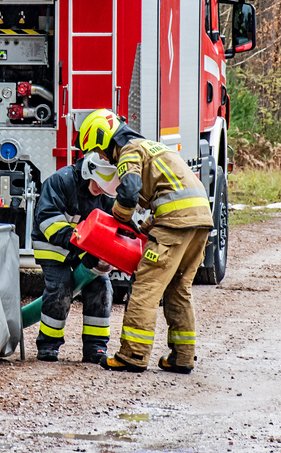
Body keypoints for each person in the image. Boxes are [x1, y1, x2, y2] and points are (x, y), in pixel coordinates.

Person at [78, 109, 214, 374]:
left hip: (176, 221)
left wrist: (120, 216)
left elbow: (129, 191)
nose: (104, 157)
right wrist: (147, 227)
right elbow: (170, 194)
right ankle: (182, 357)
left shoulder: (129, 151)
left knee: (145, 286)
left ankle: (132, 355)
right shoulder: (151, 147)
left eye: (101, 151)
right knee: (178, 288)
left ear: (104, 138)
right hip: (199, 221)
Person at [32, 152, 119, 364]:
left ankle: (95, 348)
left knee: (102, 288)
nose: (99, 189)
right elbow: (47, 220)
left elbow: (113, 226)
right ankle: (48, 345)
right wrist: (84, 247)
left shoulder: (107, 193)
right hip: (53, 247)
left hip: (84, 251)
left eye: (104, 186)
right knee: (60, 288)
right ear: (88, 172)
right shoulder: (61, 181)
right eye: (97, 183)